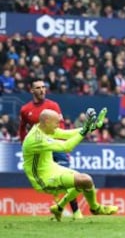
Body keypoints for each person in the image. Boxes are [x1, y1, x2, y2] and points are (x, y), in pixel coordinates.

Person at [22, 108, 118, 221]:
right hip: (43, 179)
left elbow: (67, 134)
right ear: (47, 121)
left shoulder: (44, 128)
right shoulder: (35, 139)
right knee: (85, 180)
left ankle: (59, 208)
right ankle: (95, 208)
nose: (58, 125)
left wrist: (93, 127)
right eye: (56, 122)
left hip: (54, 168)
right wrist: (85, 130)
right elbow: (66, 147)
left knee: (84, 181)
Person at [19, 78, 83, 219]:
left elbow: (60, 127)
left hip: (56, 145)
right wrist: (23, 145)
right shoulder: (25, 110)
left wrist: (64, 143)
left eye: (43, 87)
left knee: (68, 177)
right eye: (38, 87)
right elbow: (22, 128)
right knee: (51, 180)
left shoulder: (53, 105)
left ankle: (76, 211)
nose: (42, 90)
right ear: (32, 90)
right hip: (40, 149)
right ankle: (59, 208)